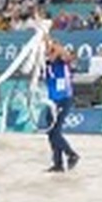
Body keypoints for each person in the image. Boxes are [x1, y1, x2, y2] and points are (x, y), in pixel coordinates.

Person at [44, 38, 80, 172]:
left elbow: (68, 56)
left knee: (55, 131)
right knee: (50, 132)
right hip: (52, 100)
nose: (48, 51)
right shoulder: (46, 62)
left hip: (64, 99)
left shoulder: (63, 61)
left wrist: (55, 46)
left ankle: (72, 154)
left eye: (51, 49)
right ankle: (58, 163)